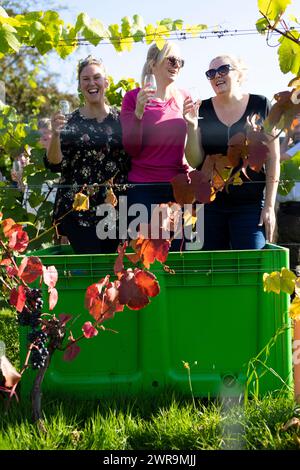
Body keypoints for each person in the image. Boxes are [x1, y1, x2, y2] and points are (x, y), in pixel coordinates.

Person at [184, 54, 280, 250]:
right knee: (212, 271)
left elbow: (274, 159)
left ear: (238, 74)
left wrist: (269, 206)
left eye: (223, 70)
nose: (216, 76)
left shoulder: (261, 105)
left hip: (250, 206)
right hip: (210, 207)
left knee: (251, 265)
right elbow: (195, 161)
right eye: (211, 73)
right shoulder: (202, 109)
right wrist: (192, 126)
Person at [45, 56, 130, 254]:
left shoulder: (122, 120)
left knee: (111, 273)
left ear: (106, 82)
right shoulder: (70, 122)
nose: (91, 83)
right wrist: (56, 134)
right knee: (88, 270)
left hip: (114, 208)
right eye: (85, 79)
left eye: (97, 77)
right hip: (77, 211)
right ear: (79, 85)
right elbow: (54, 163)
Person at [120, 42, 193, 248]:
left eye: (180, 61)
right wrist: (139, 113)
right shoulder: (133, 98)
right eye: (171, 59)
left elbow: (192, 146)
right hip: (143, 188)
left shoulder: (184, 97)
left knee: (179, 251)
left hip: (177, 189)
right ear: (153, 65)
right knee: (142, 252)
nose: (176, 65)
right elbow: (131, 149)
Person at [276, 119, 300, 273]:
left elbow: (278, 157)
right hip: (287, 212)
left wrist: (288, 134)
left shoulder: (296, 148)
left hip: (295, 212)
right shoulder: (293, 148)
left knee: (293, 260)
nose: (295, 129)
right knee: (291, 257)